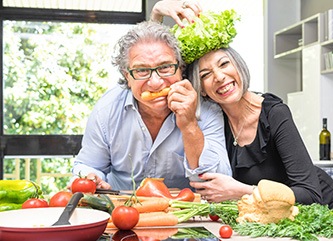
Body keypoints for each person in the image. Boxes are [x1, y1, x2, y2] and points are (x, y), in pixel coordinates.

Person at [151, 0, 333, 208]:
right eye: (206, 74)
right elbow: (161, 70)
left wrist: (241, 191)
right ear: (201, 89)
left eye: (224, 64)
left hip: (320, 213)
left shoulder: (274, 113)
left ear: (238, 65)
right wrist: (157, 13)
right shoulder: (213, 119)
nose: (219, 77)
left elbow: (310, 194)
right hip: (270, 219)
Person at [71, 20, 231, 191]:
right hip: (122, 209)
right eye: (141, 71)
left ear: (180, 69)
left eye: (165, 67)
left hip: (184, 212)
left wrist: (190, 125)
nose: (155, 83)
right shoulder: (107, 109)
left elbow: (218, 183)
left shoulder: (207, 109)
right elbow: (89, 165)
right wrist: (91, 177)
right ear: (127, 76)